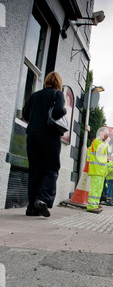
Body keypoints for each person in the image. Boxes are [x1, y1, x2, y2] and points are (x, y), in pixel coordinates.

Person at [22, 71, 67, 217]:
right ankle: (42, 200)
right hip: (50, 136)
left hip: (33, 135)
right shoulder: (57, 95)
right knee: (51, 168)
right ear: (58, 83)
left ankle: (31, 208)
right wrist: (64, 110)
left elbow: (25, 115)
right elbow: (58, 112)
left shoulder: (35, 95)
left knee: (35, 170)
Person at [87, 127, 109, 213]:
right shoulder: (96, 141)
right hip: (96, 169)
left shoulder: (101, 142)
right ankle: (91, 205)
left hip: (100, 171)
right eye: (105, 133)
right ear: (100, 133)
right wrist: (106, 143)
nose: (106, 135)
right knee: (95, 188)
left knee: (99, 189)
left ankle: (95, 204)